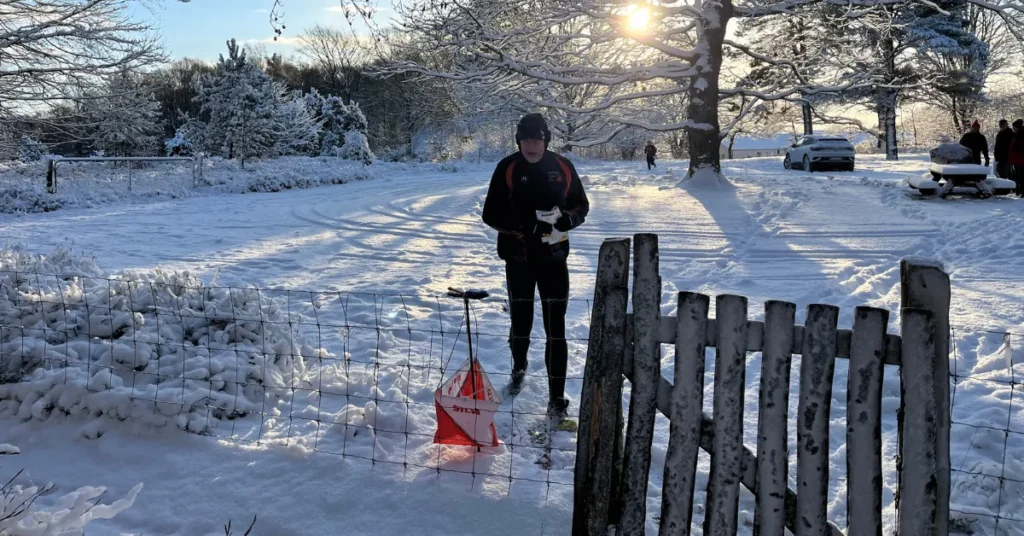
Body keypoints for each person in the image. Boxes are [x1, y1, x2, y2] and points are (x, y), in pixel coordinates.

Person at [481, 113, 590, 420]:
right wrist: (522, 227)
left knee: (557, 329)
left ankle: (556, 398)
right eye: (526, 140)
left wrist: (571, 218)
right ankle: (519, 367)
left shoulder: (562, 166)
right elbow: (490, 213)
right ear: (519, 141)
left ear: (546, 141)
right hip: (518, 259)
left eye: (537, 140)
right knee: (522, 321)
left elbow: (581, 204)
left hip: (555, 259)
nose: (532, 146)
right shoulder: (508, 167)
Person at [1009, 119, 1024, 197]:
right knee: (1018, 175)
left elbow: (1018, 147)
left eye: (1014, 127)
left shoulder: (1020, 136)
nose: (1013, 128)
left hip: (1020, 159)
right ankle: (1020, 190)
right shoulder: (1017, 135)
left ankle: (1022, 191)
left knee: (1021, 176)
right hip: (1017, 159)